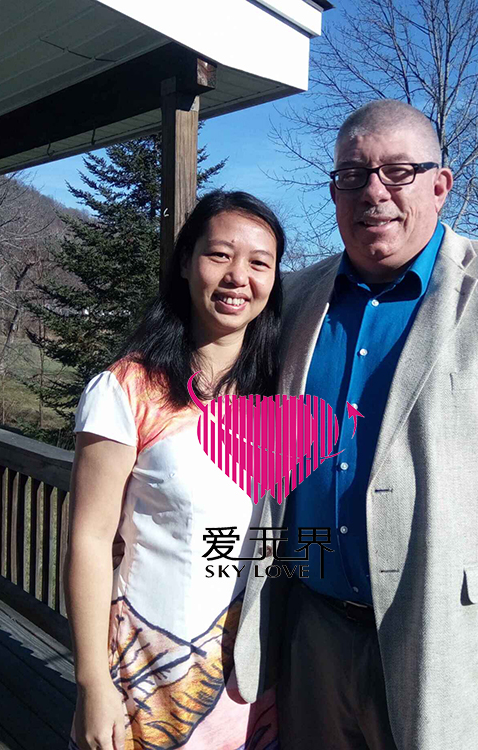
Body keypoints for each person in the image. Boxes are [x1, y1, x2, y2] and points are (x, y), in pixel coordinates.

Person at [232, 99, 478, 750]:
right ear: (333, 191)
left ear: (440, 185)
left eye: (398, 172)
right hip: (309, 639)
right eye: (353, 174)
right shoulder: (292, 299)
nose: (373, 192)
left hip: (453, 648)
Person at [65, 190, 286, 750]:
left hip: (256, 680)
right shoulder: (127, 389)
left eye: (259, 263)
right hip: (147, 675)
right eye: (220, 255)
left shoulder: (281, 393)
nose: (238, 277)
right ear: (186, 262)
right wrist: (92, 683)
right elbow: (90, 539)